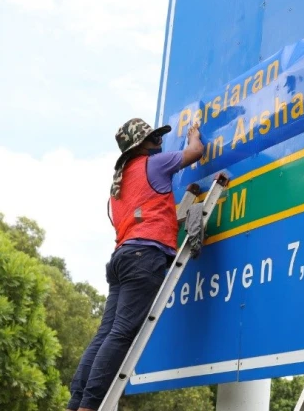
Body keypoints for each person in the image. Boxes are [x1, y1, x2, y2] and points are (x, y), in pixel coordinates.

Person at [67, 117, 204, 411]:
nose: (159, 142)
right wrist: (194, 135)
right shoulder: (153, 164)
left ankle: (77, 402)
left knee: (106, 333)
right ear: (141, 145)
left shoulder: (117, 185)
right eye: (154, 138)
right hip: (144, 255)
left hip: (122, 258)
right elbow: (195, 153)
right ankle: (89, 405)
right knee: (121, 333)